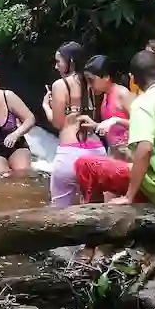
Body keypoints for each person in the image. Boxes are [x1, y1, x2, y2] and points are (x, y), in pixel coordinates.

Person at [74, 49, 155, 208]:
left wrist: (129, 196)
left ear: (133, 80)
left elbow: (145, 148)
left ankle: (92, 221)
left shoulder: (142, 103)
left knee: (84, 164)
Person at [44, 41, 103, 207]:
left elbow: (58, 123)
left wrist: (46, 107)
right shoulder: (93, 83)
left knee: (59, 209)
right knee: (96, 207)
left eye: (58, 62)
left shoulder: (60, 85)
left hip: (70, 154)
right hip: (97, 151)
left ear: (70, 61)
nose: (56, 67)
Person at [81, 55, 133, 151]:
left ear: (106, 77)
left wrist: (116, 120)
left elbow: (141, 123)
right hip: (114, 151)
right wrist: (96, 125)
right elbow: (111, 127)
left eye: (91, 81)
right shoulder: (105, 96)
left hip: (129, 151)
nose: (89, 86)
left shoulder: (122, 93)